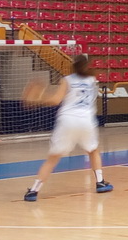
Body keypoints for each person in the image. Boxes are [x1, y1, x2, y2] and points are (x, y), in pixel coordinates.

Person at [22, 54, 113, 201]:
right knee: (93, 150)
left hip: (68, 120)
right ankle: (100, 182)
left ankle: (34, 191)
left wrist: (37, 99)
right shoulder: (92, 80)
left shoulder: (67, 80)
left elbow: (55, 100)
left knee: (53, 158)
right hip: (86, 120)